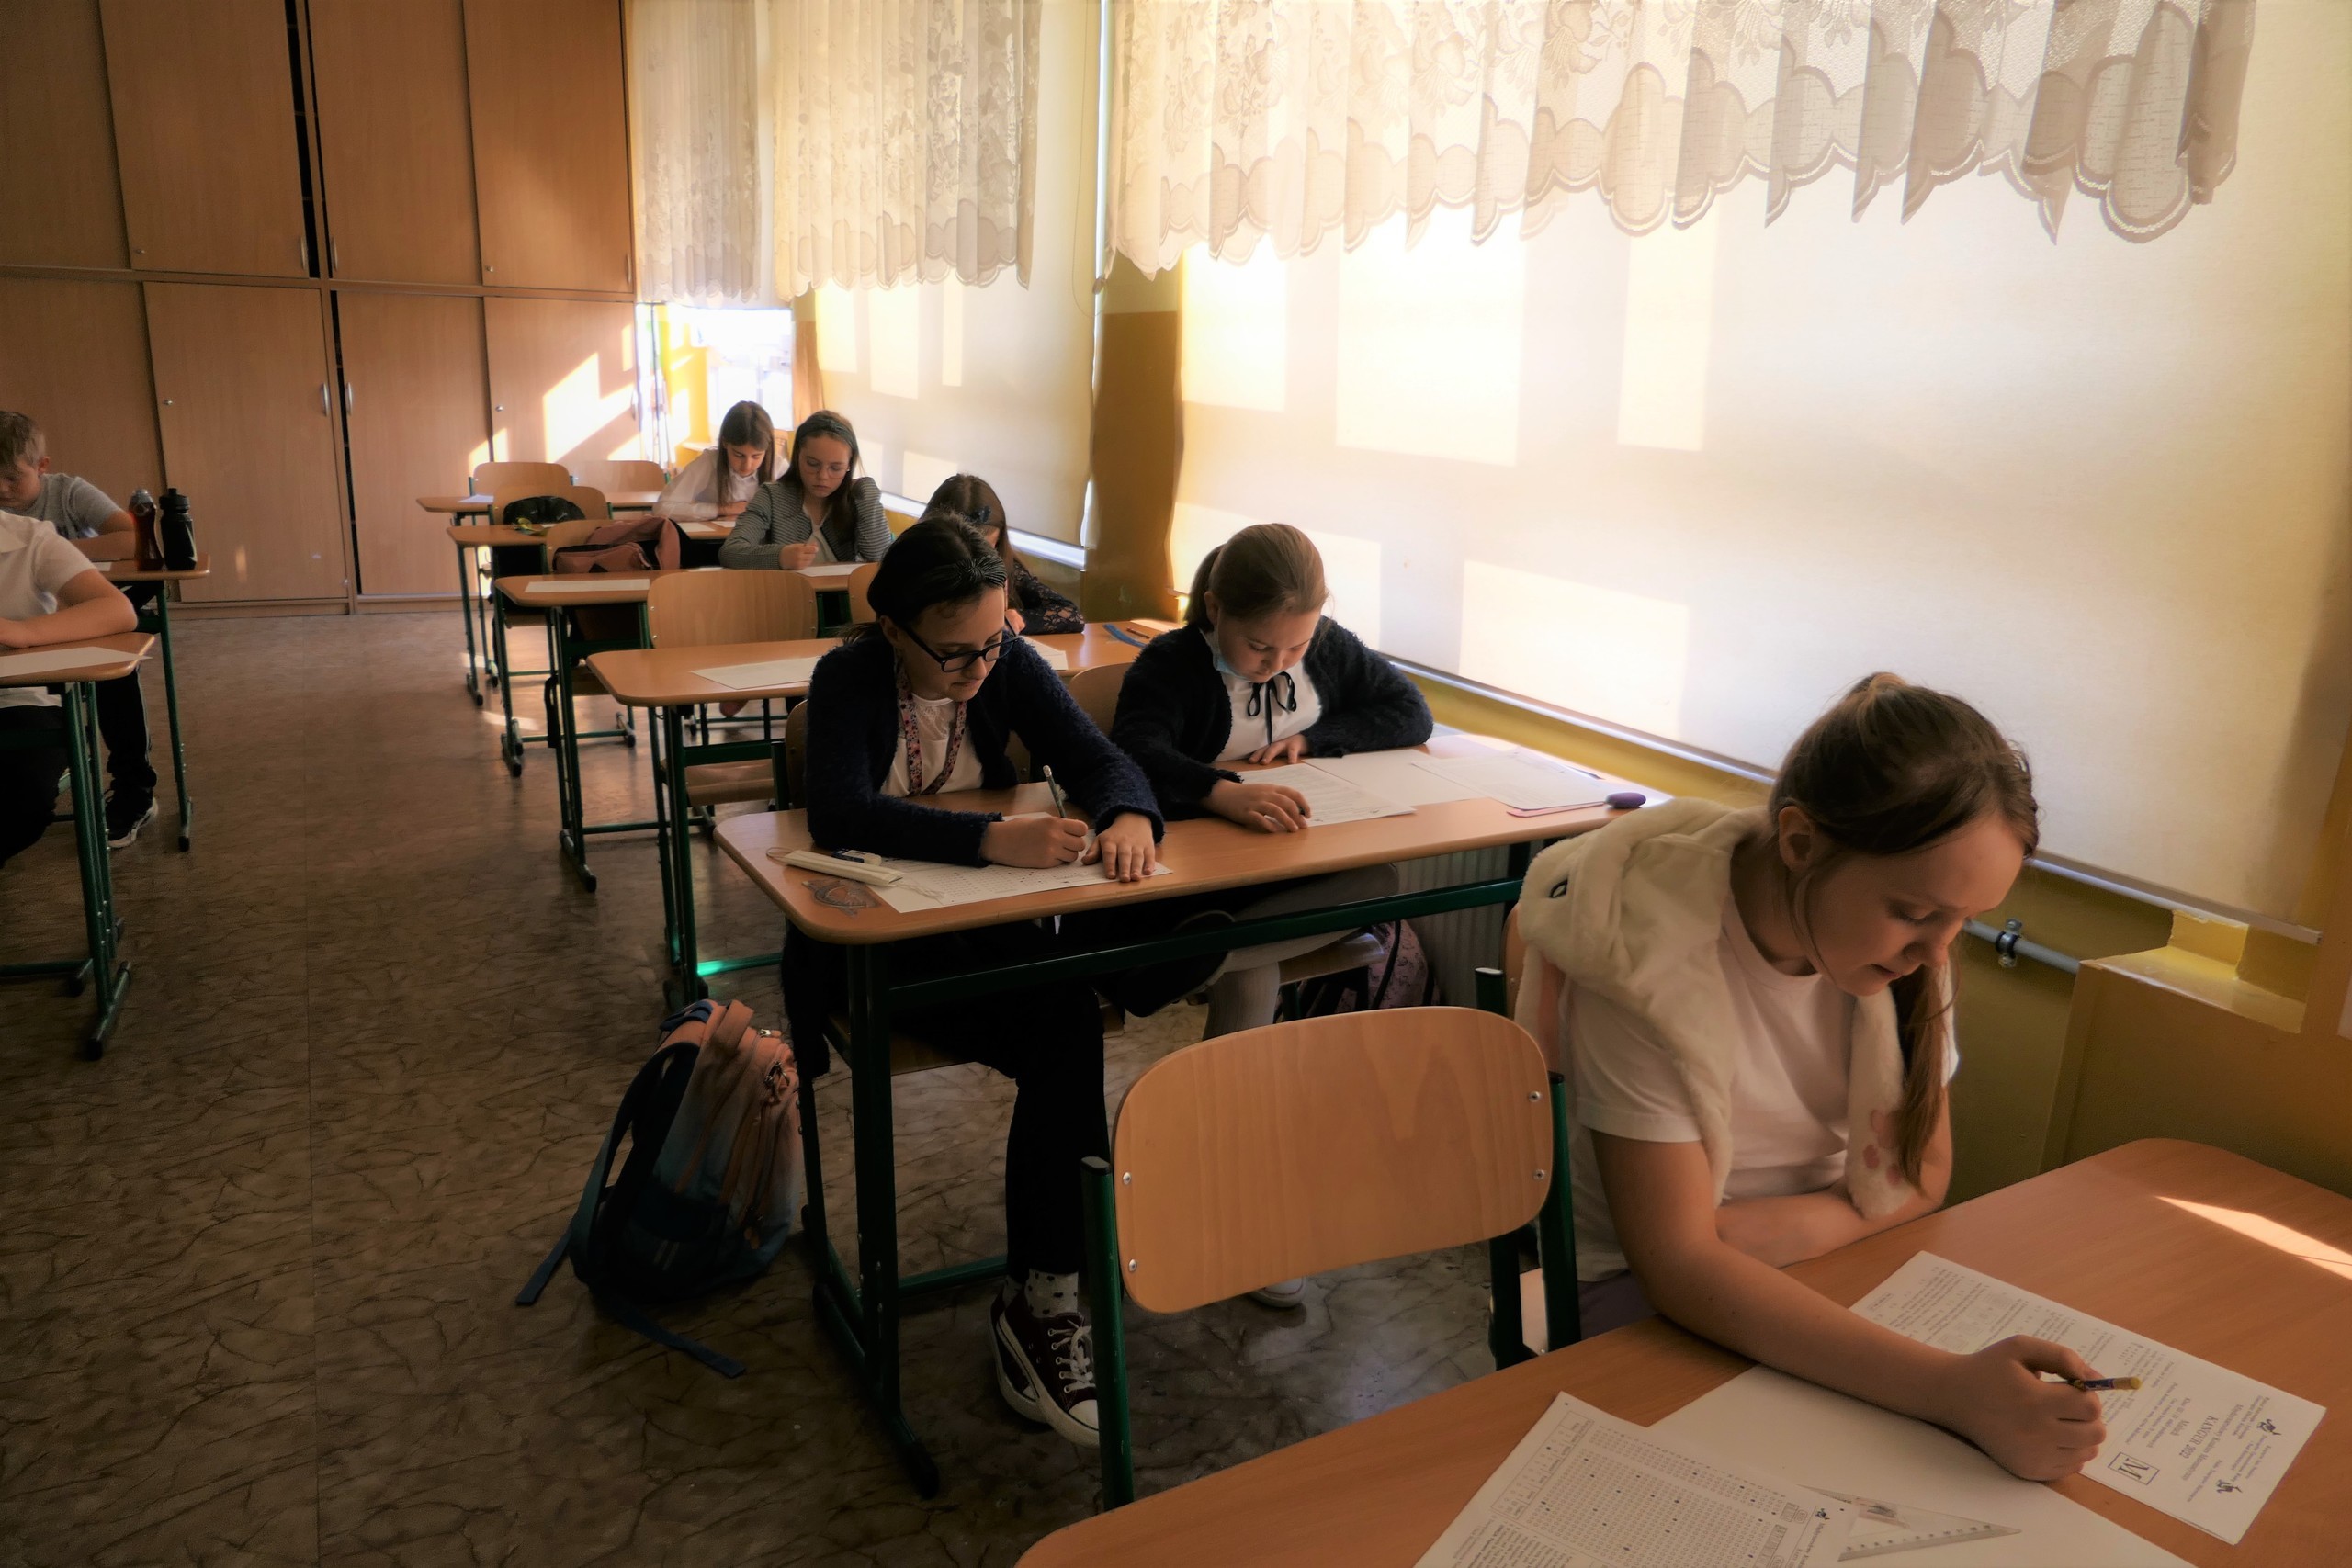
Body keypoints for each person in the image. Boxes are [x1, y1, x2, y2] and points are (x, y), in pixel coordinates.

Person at [1513, 673, 2111, 1483]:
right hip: (1638, 1295)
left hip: (1801, 1254)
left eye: (1963, 921)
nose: (1937, 952)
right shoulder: (1647, 957)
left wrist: (1781, 1230)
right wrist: (1948, 1388)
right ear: (1800, 842)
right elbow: (1677, 1267)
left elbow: (1925, 1172)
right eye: (1915, 913)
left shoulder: (1903, 950)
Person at [785, 516, 1161, 1449]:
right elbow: (839, 812)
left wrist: (1127, 813)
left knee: (1067, 1019)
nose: (979, 668)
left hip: (979, 926)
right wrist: (990, 839)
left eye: (993, 643)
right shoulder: (847, 677)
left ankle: (1048, 1288)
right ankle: (1051, 1289)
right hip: (875, 942)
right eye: (954, 653)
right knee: (1064, 1026)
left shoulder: (1004, 659)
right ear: (893, 630)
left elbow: (1098, 757)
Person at [0, 412, 158, 848]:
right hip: (50, 612)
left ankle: (134, 786)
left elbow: (130, 541)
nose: (2, 489)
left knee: (114, 671)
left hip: (63, 616)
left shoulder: (65, 496)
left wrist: (52, 546)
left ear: (42, 467)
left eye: (12, 477)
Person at [0, 503, 139, 869]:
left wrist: (23, 632)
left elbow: (117, 610)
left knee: (23, 797)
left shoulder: (30, 538)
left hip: (17, 697)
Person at [718, 409, 889, 570]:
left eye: (835, 468)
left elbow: (881, 558)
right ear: (798, 456)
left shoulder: (856, 498)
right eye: (812, 464)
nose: (823, 476)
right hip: (788, 591)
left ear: (849, 465)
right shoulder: (772, 497)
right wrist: (779, 556)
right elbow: (730, 552)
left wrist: (867, 491)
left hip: (843, 591)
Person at [921, 473, 1082, 634]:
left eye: (988, 548)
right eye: (965, 548)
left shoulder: (1005, 566)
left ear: (998, 542)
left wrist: (1015, 620)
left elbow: (1071, 614)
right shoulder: (913, 569)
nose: (976, 560)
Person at [652, 401, 783, 521]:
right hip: (715, 538)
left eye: (756, 456)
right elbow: (663, 508)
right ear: (725, 443)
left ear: (767, 449)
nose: (747, 465)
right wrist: (722, 509)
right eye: (739, 455)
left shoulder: (778, 466)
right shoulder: (709, 462)